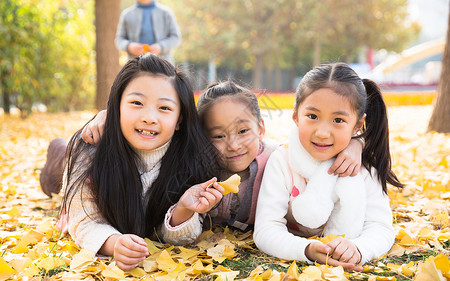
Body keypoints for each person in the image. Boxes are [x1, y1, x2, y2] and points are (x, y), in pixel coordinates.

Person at [50, 81, 364, 236]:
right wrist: (106, 116)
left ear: (261, 128)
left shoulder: (278, 159)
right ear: (201, 138)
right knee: (59, 176)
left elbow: (322, 143)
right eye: (217, 135)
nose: (233, 145)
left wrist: (355, 144)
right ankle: (59, 154)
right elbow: (166, 212)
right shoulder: (192, 165)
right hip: (79, 164)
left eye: (243, 131)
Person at [61, 53, 225, 270]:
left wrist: (184, 209)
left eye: (164, 108)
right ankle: (57, 149)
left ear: (179, 120)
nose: (149, 117)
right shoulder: (89, 151)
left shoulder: (190, 159)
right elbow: (85, 221)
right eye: (137, 103)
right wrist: (113, 243)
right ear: (116, 106)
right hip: (69, 163)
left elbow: (168, 235)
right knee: (58, 160)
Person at [253, 63, 404, 272]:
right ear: (296, 116)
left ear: (358, 125)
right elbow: (266, 229)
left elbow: (381, 228)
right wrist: (305, 249)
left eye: (338, 120)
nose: (323, 132)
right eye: (312, 116)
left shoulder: (364, 169)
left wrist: (359, 248)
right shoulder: (282, 161)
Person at [116, 0, 181, 64]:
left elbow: (175, 37)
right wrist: (129, 46)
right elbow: (119, 39)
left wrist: (160, 46)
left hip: (163, 66)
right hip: (135, 65)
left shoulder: (166, 12)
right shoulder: (127, 14)